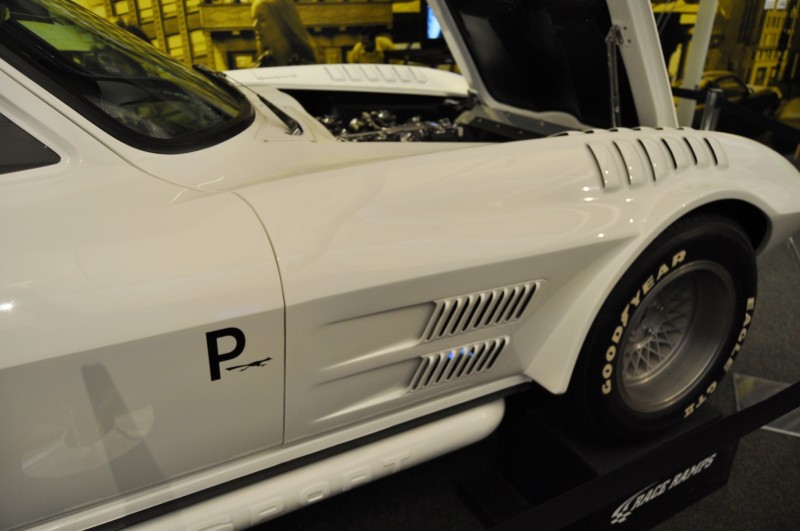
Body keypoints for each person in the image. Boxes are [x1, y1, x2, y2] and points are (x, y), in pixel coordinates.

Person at [250, 0, 319, 67]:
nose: (254, 26)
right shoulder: (257, 69)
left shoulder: (309, 68)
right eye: (253, 19)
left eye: (262, 19)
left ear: (283, 21)